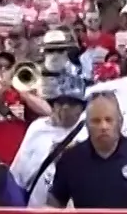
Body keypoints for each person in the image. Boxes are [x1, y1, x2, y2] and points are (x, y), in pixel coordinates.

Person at [11, 74, 89, 207]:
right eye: (60, 102)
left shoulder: (88, 134)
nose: (65, 108)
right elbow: (18, 175)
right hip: (35, 212)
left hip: (73, 213)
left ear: (82, 108)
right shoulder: (38, 128)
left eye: (71, 103)